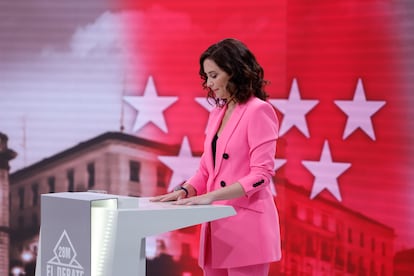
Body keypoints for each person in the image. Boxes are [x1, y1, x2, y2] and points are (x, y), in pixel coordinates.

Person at [151, 38, 281, 276]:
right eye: (206, 77)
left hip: (247, 228)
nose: (209, 84)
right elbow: (206, 170)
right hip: (215, 225)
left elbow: (262, 175)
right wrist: (184, 191)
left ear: (233, 72)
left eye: (213, 75)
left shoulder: (259, 111)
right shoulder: (216, 113)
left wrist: (209, 197)